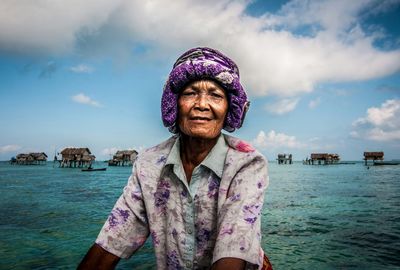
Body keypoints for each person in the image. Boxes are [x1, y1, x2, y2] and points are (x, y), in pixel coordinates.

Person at [78, 47, 271, 270]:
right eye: (190, 93)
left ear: (229, 109)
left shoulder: (247, 163)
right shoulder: (148, 164)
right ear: (175, 104)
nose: (201, 104)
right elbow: (112, 240)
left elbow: (233, 248)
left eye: (216, 95)